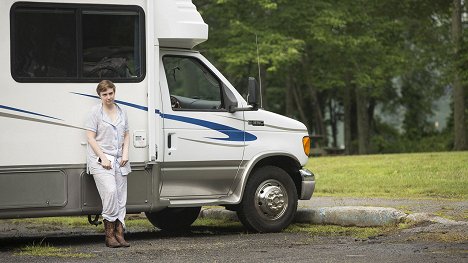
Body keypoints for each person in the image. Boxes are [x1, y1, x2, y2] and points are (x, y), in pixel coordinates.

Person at [85, 80, 131, 248]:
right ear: (100, 95)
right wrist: (103, 157)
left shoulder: (121, 111)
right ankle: (109, 235)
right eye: (104, 94)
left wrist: (125, 153)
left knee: (121, 197)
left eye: (110, 93)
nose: (108, 97)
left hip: (120, 159)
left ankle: (120, 234)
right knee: (110, 192)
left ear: (114, 92)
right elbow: (90, 137)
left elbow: (126, 134)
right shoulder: (95, 113)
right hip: (101, 160)